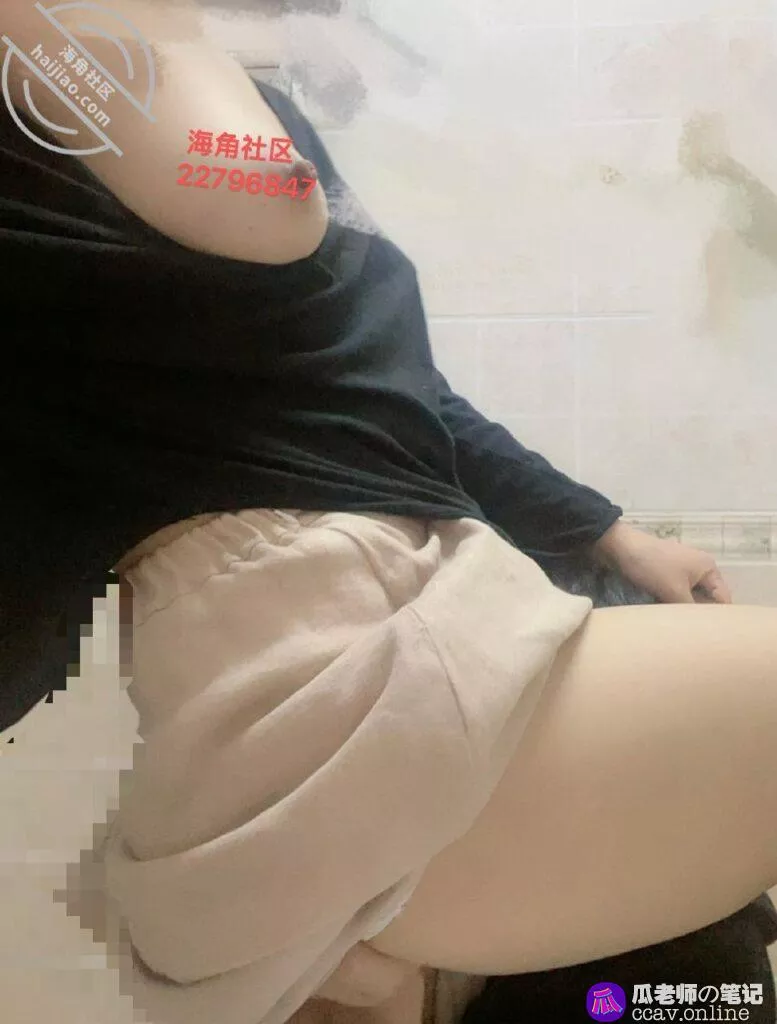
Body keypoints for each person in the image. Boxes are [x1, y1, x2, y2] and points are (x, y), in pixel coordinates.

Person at [2, 4, 776, 1024]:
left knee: (704, 980)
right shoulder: (81, 72)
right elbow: (263, 194)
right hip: (330, 641)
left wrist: (609, 533)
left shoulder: (196, 107)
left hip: (413, 607)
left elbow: (402, 388)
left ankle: (384, 968)